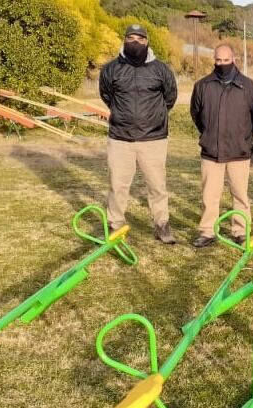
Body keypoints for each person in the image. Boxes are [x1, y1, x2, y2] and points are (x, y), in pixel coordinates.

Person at [99, 24, 178, 244]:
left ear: (147, 42)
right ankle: (115, 225)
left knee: (157, 186)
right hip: (120, 138)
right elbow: (107, 96)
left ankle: (162, 225)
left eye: (140, 39)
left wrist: (154, 117)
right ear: (124, 40)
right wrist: (122, 114)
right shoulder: (110, 69)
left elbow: (170, 97)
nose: (135, 42)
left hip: (153, 139)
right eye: (131, 37)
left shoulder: (160, 70)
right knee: (118, 185)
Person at [189, 44, 253, 247]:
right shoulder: (203, 86)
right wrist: (209, 133)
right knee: (209, 196)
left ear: (234, 59)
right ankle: (207, 231)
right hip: (211, 152)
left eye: (226, 60)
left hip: (239, 151)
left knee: (240, 196)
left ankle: (240, 231)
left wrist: (243, 136)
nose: (222, 64)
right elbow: (196, 114)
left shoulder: (250, 87)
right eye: (218, 60)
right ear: (214, 60)